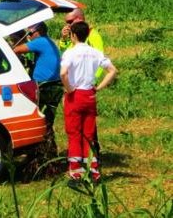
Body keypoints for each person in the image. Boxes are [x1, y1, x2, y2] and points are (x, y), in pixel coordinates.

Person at [60, 21, 117, 184]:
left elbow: (63, 73)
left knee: (74, 132)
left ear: (73, 35)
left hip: (75, 95)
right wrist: (98, 87)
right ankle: (93, 170)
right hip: (90, 94)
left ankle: (75, 171)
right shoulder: (94, 52)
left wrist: (69, 89)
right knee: (89, 133)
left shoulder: (70, 53)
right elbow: (112, 70)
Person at [13, 22, 63, 158]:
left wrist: (18, 41)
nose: (29, 37)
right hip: (51, 85)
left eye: (30, 32)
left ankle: (43, 153)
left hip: (46, 86)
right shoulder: (48, 41)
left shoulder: (41, 41)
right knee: (45, 120)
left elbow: (16, 50)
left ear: (36, 32)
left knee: (40, 120)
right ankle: (44, 151)